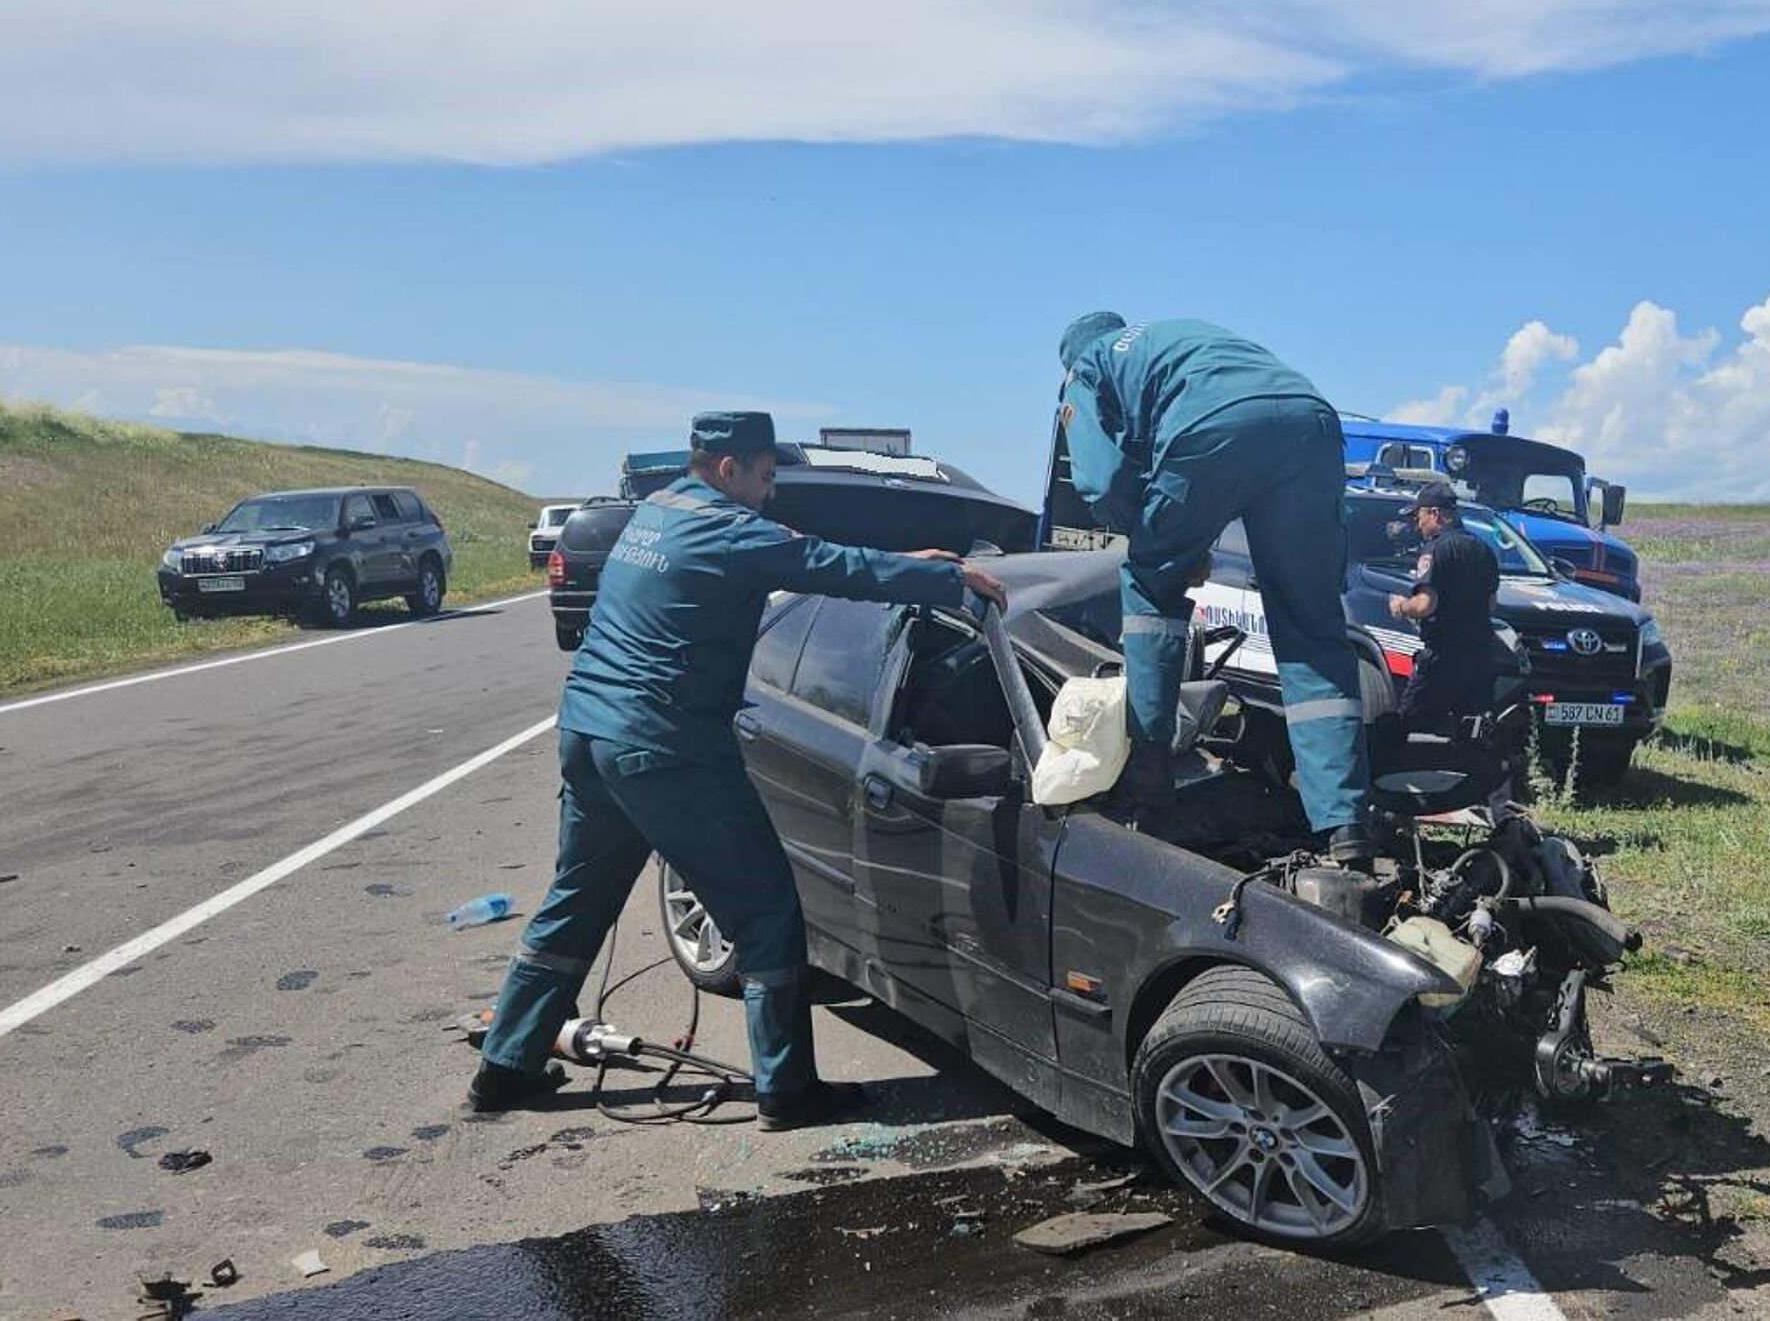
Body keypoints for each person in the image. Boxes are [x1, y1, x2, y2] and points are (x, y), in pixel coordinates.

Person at [469, 411, 1009, 1129]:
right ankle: (786, 1089)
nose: (770, 490)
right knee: (766, 914)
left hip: (589, 733)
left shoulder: (657, 512)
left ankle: (504, 1067)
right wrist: (943, 582)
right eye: (764, 475)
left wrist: (916, 559)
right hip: (666, 748)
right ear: (730, 469)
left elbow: (802, 551)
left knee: (576, 902)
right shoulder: (731, 530)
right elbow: (829, 566)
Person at [1055, 312, 1372, 865]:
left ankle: (1148, 775)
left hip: (1213, 427)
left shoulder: (1088, 365)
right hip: (1312, 422)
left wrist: (1164, 548)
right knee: (1311, 628)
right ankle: (1346, 827)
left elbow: (1100, 480)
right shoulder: (1176, 339)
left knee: (1149, 585)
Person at [1387, 480, 1501, 733]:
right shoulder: (1483, 549)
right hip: (1481, 658)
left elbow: (1426, 604)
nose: (1417, 523)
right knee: (1475, 731)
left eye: (1419, 516)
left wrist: (1401, 606)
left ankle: (1404, 771)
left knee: (1408, 726)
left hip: (1444, 658)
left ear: (1435, 514)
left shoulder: (1436, 549)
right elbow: (1491, 604)